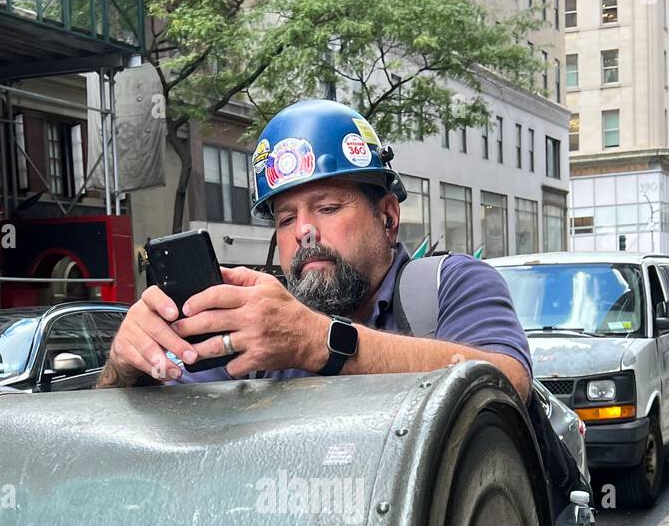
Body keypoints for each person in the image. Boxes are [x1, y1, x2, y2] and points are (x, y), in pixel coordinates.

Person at [98, 99, 531, 401]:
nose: (304, 230)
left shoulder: (450, 285)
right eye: (286, 219)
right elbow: (147, 434)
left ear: (388, 216)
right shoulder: (256, 328)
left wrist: (318, 342)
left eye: (327, 207)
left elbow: (507, 381)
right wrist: (127, 364)